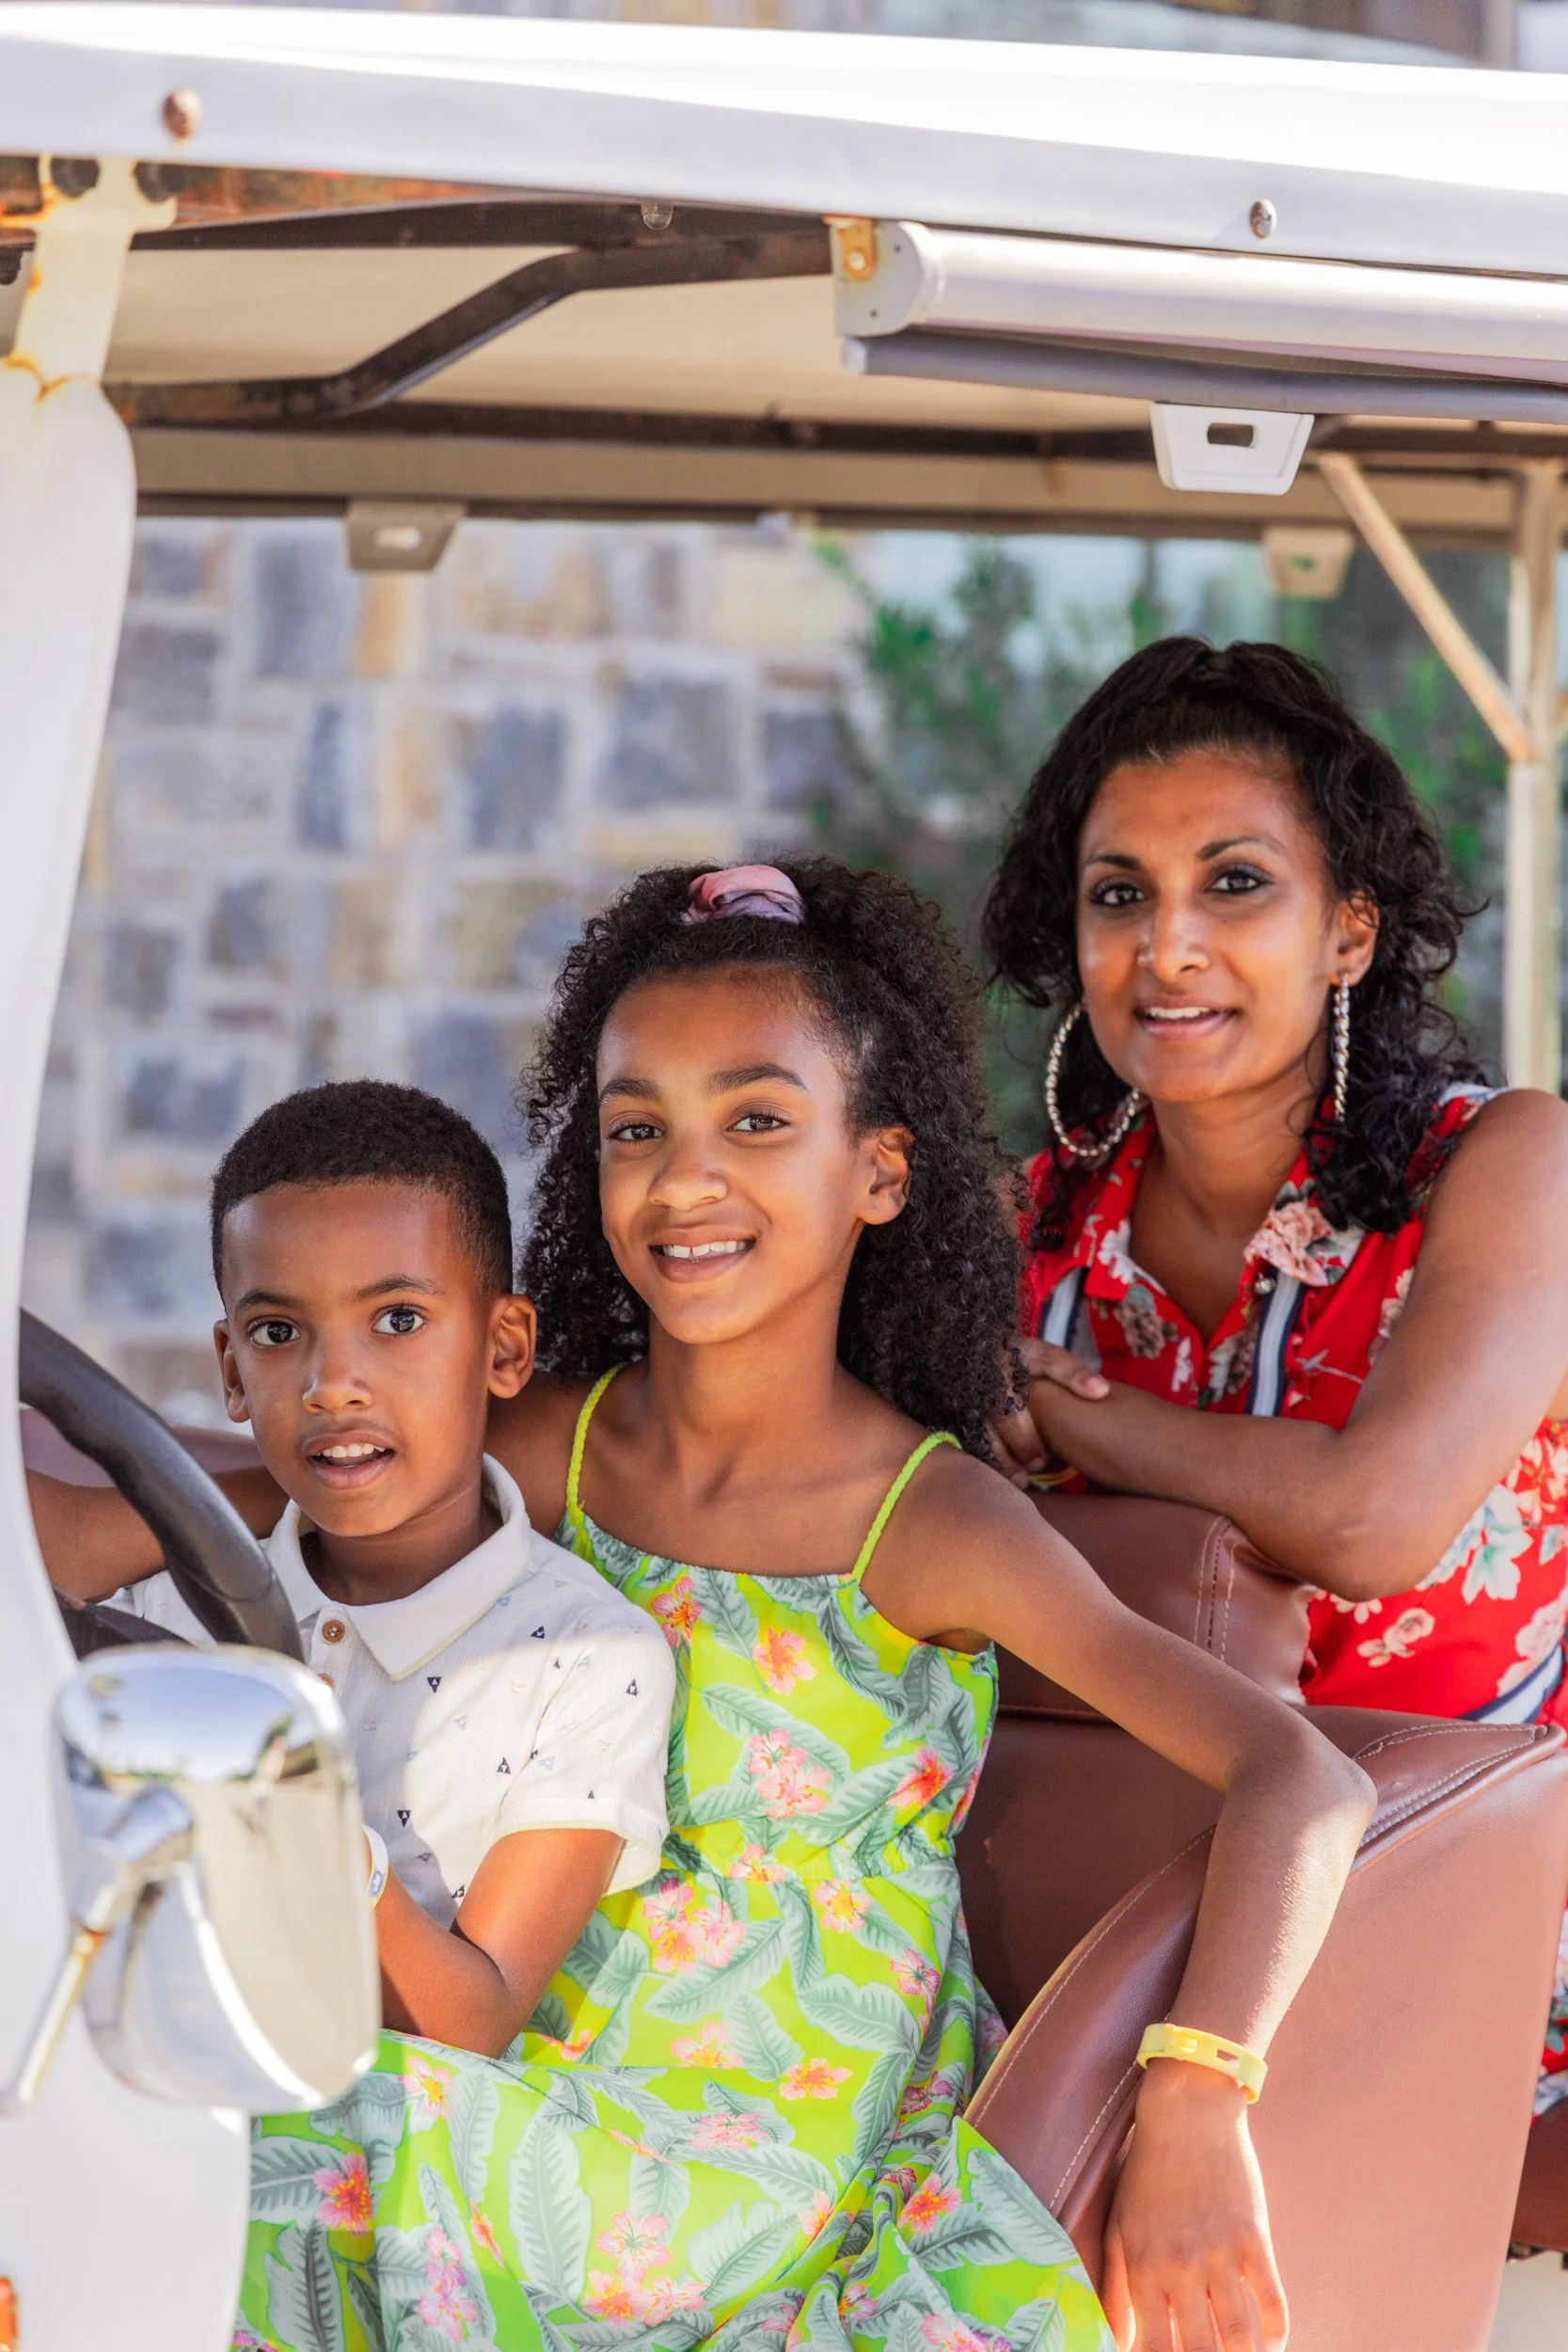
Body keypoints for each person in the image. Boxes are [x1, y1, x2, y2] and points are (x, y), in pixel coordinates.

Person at [34, 864, 1373, 2352]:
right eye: (634, 1130)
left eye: (753, 1119)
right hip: (517, 2059)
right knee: (151, 2075)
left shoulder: (928, 1526)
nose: (683, 1179)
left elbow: (1296, 1775)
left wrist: (1197, 2090)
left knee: (265, 2131)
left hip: (752, 2159)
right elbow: (217, 1491)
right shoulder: (548, 1440)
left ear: (875, 1170)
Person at [983, 636, 1568, 2119]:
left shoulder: (1503, 1168)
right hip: (1133, 1961)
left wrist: (1073, 1418)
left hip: (1506, 1950)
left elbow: (1372, 1522)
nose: (1164, 946)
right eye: (1118, 894)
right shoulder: (1019, 1233)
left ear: (1348, 933)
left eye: (1232, 883)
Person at [46, 1080, 676, 2061]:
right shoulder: (164, 1599)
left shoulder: (588, 1661)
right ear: (229, 1367)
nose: (330, 1383)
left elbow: (472, 2017)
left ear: (504, 1347)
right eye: (277, 1332)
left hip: (388, 2124)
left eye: (395, 1321)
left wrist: (295, 1819)